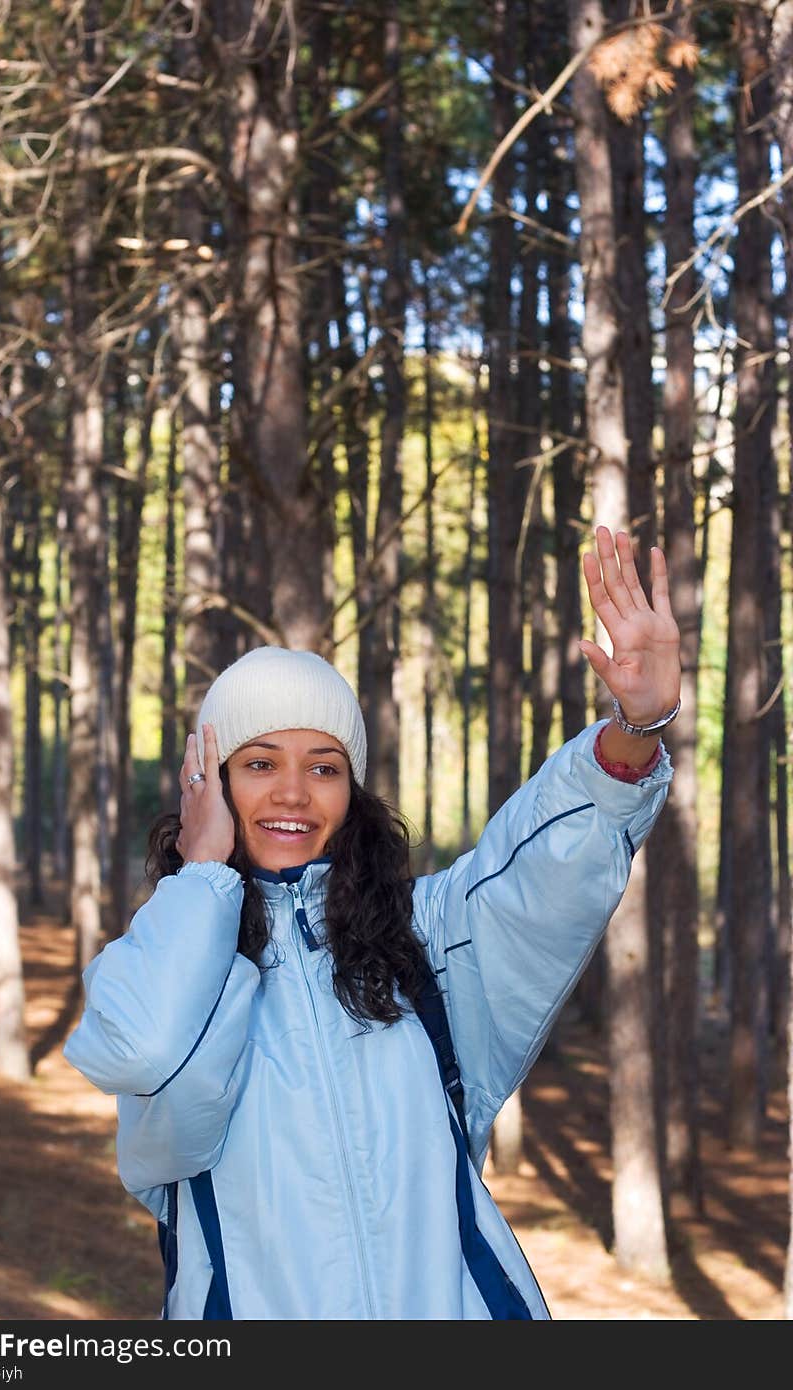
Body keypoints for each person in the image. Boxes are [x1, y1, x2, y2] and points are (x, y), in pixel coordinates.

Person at [63, 525, 680, 1320]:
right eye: (259, 764)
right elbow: (143, 1048)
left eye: (324, 767)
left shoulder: (423, 938)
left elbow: (544, 873)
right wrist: (206, 876)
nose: (293, 792)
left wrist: (636, 729)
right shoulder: (164, 964)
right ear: (206, 783)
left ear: (351, 790)